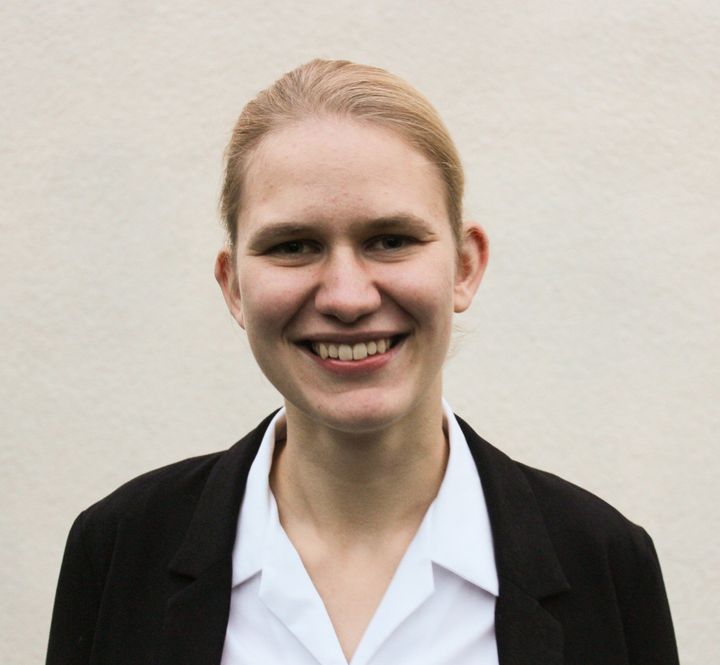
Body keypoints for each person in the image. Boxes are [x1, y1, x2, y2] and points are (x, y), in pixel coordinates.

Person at [46, 59, 680, 665]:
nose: (347, 298)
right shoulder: (120, 550)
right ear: (233, 285)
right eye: (294, 245)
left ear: (464, 266)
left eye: (391, 240)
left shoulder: (603, 563)